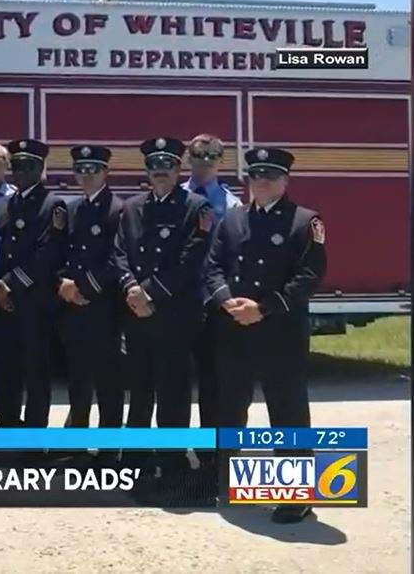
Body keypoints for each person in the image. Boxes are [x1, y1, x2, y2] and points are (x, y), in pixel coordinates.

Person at [206, 147, 326, 523]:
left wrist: (263, 308)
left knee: (287, 411)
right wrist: (227, 302)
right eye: (255, 176)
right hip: (235, 328)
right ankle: (227, 482)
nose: (261, 182)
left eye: (270, 176)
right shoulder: (234, 219)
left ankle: (295, 495)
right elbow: (213, 266)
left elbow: (308, 277)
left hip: (280, 331)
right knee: (230, 408)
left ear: (285, 181)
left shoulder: (305, 221)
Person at [114, 136, 213, 497]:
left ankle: (172, 465)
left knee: (173, 395)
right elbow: (119, 253)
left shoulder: (196, 208)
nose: (160, 172)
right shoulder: (132, 207)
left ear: (178, 169)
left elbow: (192, 261)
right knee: (139, 395)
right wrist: (130, 289)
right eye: (154, 166)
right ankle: (136, 465)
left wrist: (149, 292)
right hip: (137, 315)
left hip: (173, 316)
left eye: (167, 166)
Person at [0, 138, 67, 427]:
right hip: (4, 303)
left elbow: (47, 252)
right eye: (18, 165)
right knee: (5, 366)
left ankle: (35, 431)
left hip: (35, 302)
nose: (22, 172)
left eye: (29, 166)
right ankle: (7, 421)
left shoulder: (52, 205)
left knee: (36, 370)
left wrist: (9, 284)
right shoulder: (5, 205)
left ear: (41, 168)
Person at [180, 133, 242, 488]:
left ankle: (210, 452)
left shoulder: (232, 205)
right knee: (172, 383)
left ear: (222, 159)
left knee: (214, 383)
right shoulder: (175, 198)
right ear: (189, 157)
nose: (205, 160)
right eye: (199, 154)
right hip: (174, 304)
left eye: (213, 155)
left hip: (212, 306)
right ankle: (170, 450)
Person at [57, 145, 124, 436]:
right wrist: (62, 284)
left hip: (104, 308)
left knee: (108, 381)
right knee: (78, 380)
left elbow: (117, 258)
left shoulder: (119, 209)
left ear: (105, 172)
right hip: (73, 309)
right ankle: (77, 445)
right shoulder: (72, 210)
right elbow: (58, 253)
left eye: (93, 169)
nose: (86, 176)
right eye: (80, 170)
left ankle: (108, 449)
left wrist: (84, 287)